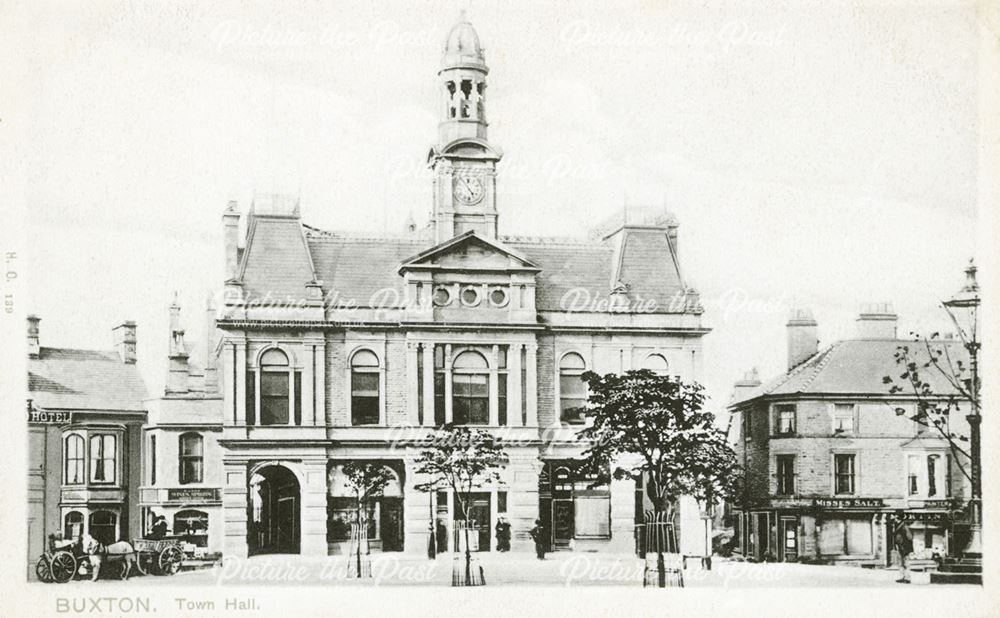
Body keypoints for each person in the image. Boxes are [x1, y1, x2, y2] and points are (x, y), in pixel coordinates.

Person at [893, 519, 914, 583]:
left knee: (906, 563)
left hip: (904, 548)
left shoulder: (904, 526)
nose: (895, 519)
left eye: (896, 518)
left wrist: (904, 545)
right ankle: (902, 577)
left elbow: (910, 537)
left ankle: (907, 578)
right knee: (900, 563)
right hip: (900, 547)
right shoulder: (897, 526)